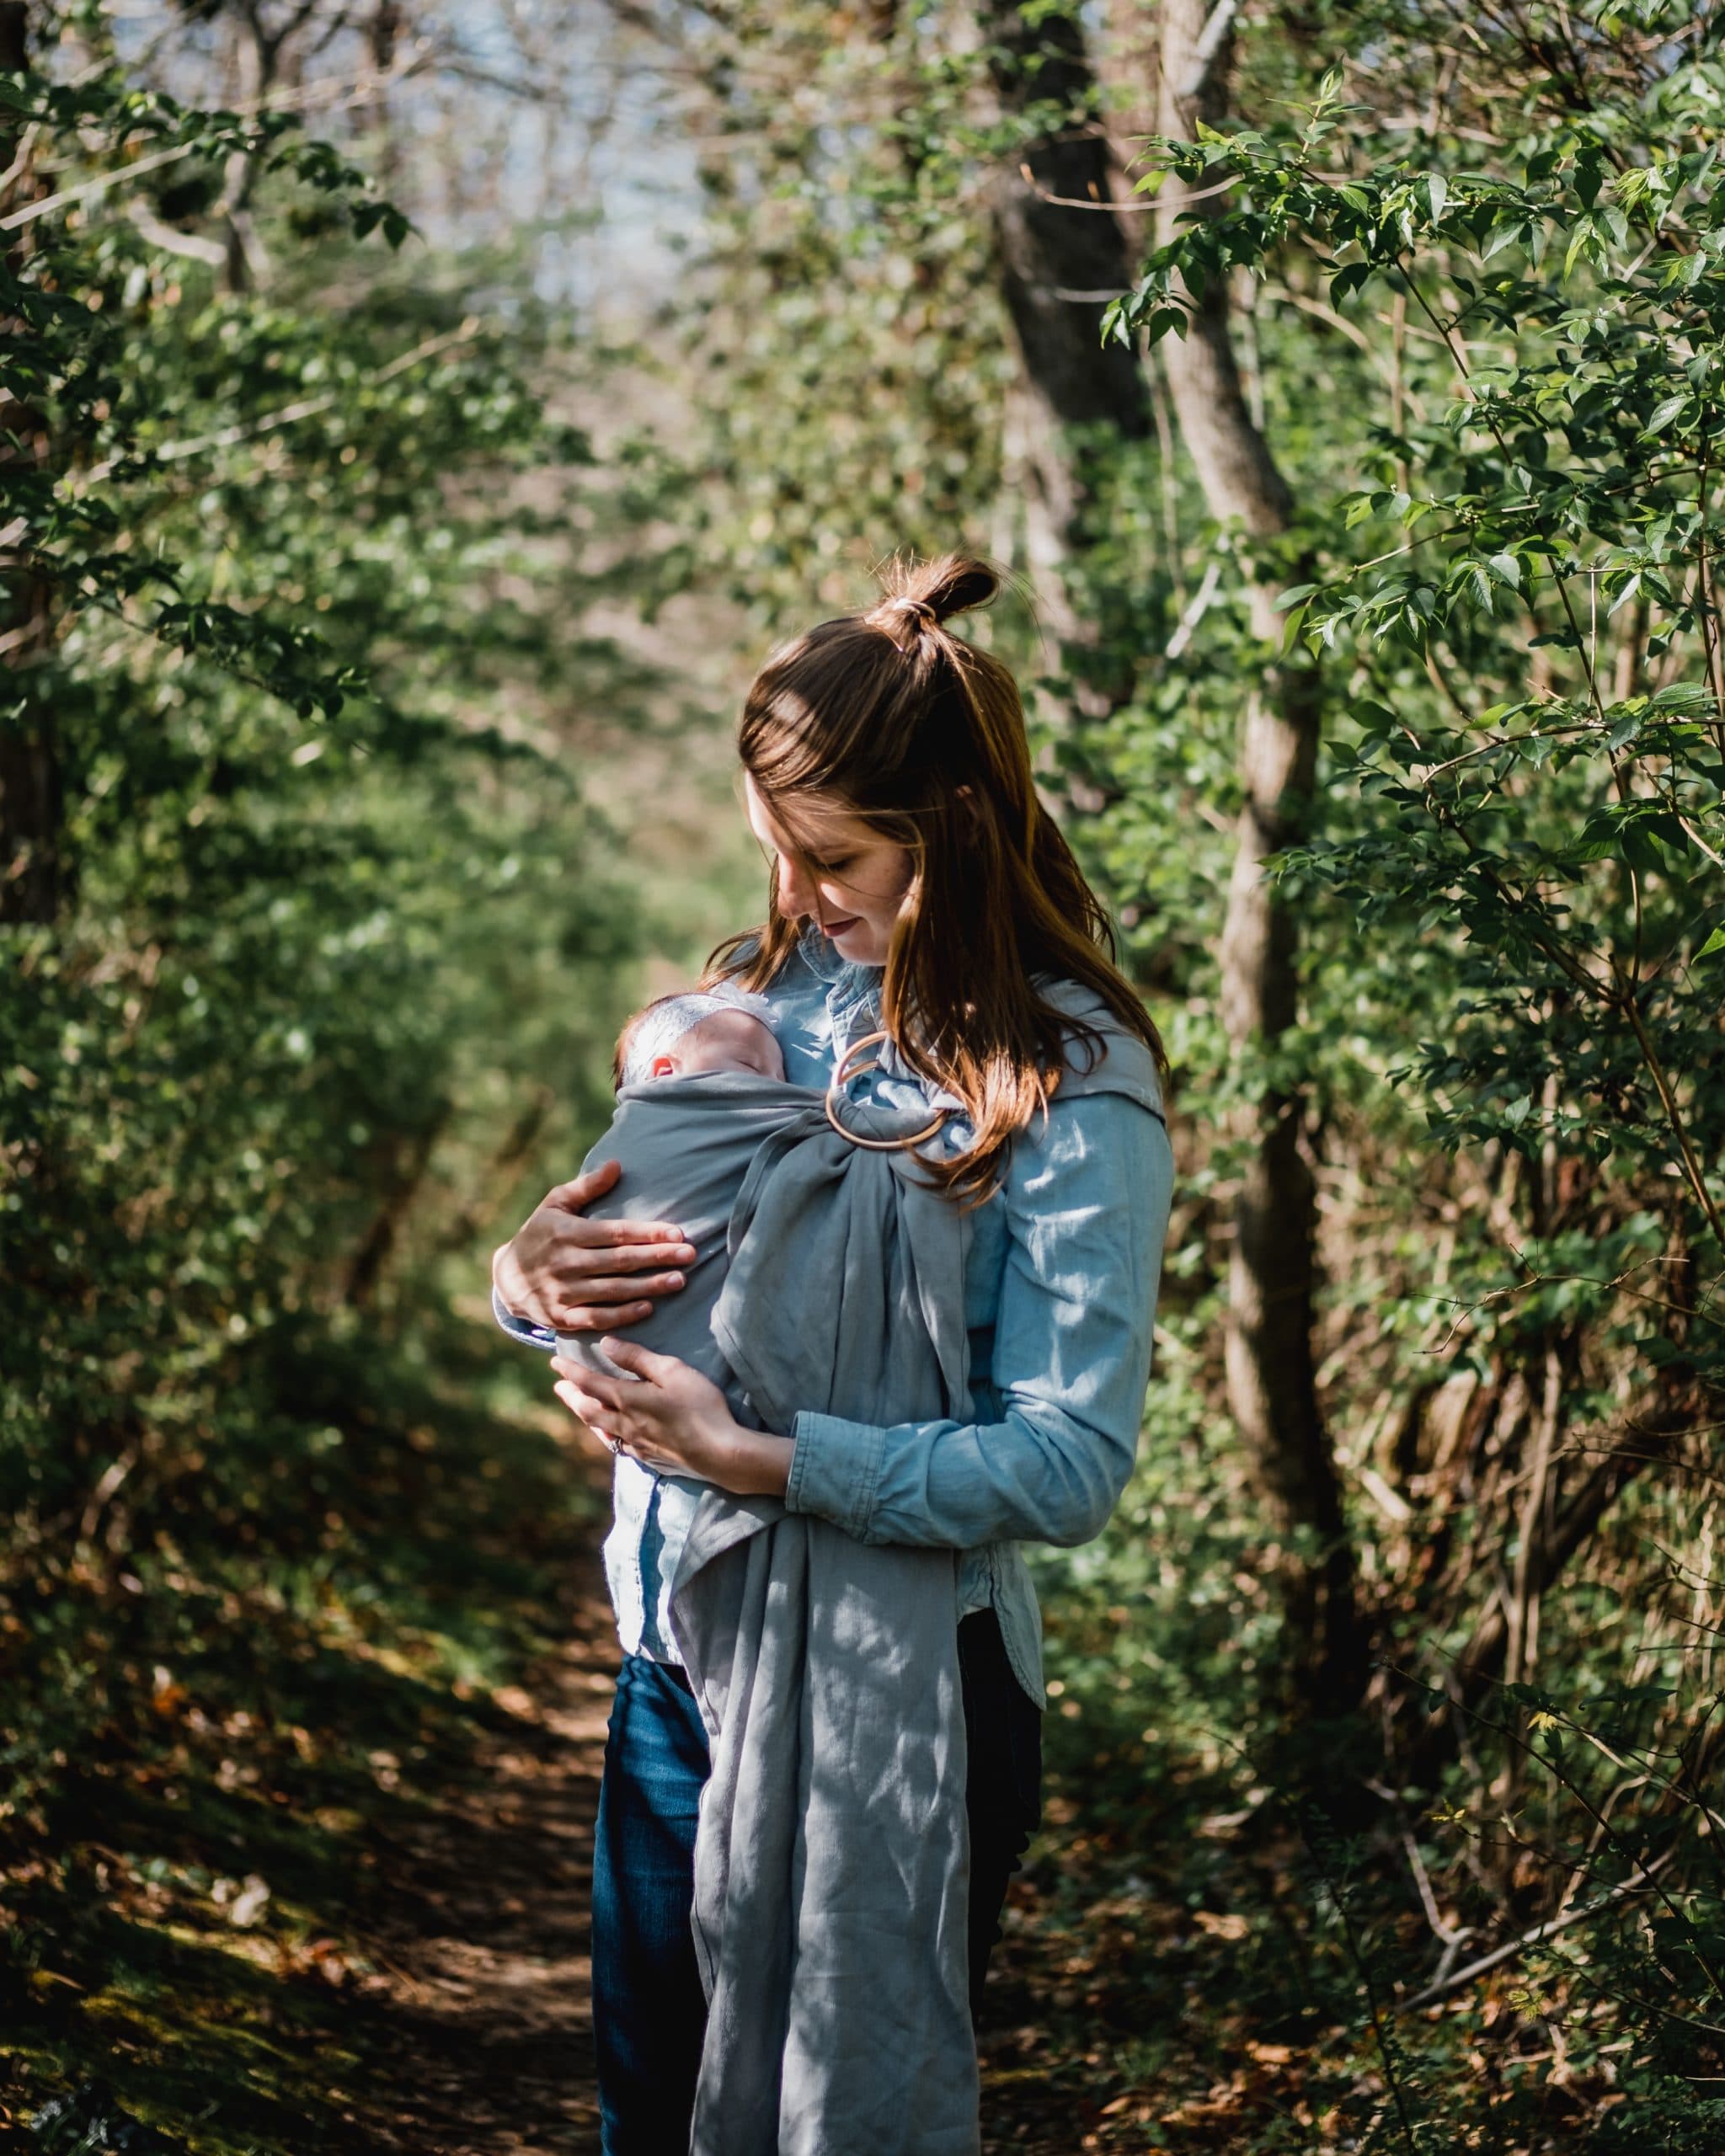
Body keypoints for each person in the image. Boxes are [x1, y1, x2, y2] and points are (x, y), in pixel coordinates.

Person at [490, 552, 1176, 2156]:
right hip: (676, 1663)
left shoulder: (1070, 1077)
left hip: (913, 1693)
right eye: (774, 851)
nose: (797, 898)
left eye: (835, 857)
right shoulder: (745, 1009)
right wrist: (521, 1274)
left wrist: (757, 1459)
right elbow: (608, 1253)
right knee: (648, 2121)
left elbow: (1067, 1459)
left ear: (952, 827)